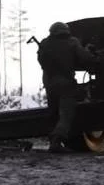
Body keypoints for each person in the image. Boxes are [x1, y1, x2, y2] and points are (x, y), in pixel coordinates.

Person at [37, 21, 99, 152]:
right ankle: (56, 141)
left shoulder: (45, 43)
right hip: (65, 83)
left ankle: (53, 141)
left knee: (53, 113)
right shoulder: (72, 42)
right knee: (66, 114)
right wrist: (92, 54)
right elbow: (85, 58)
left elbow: (41, 61)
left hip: (49, 83)